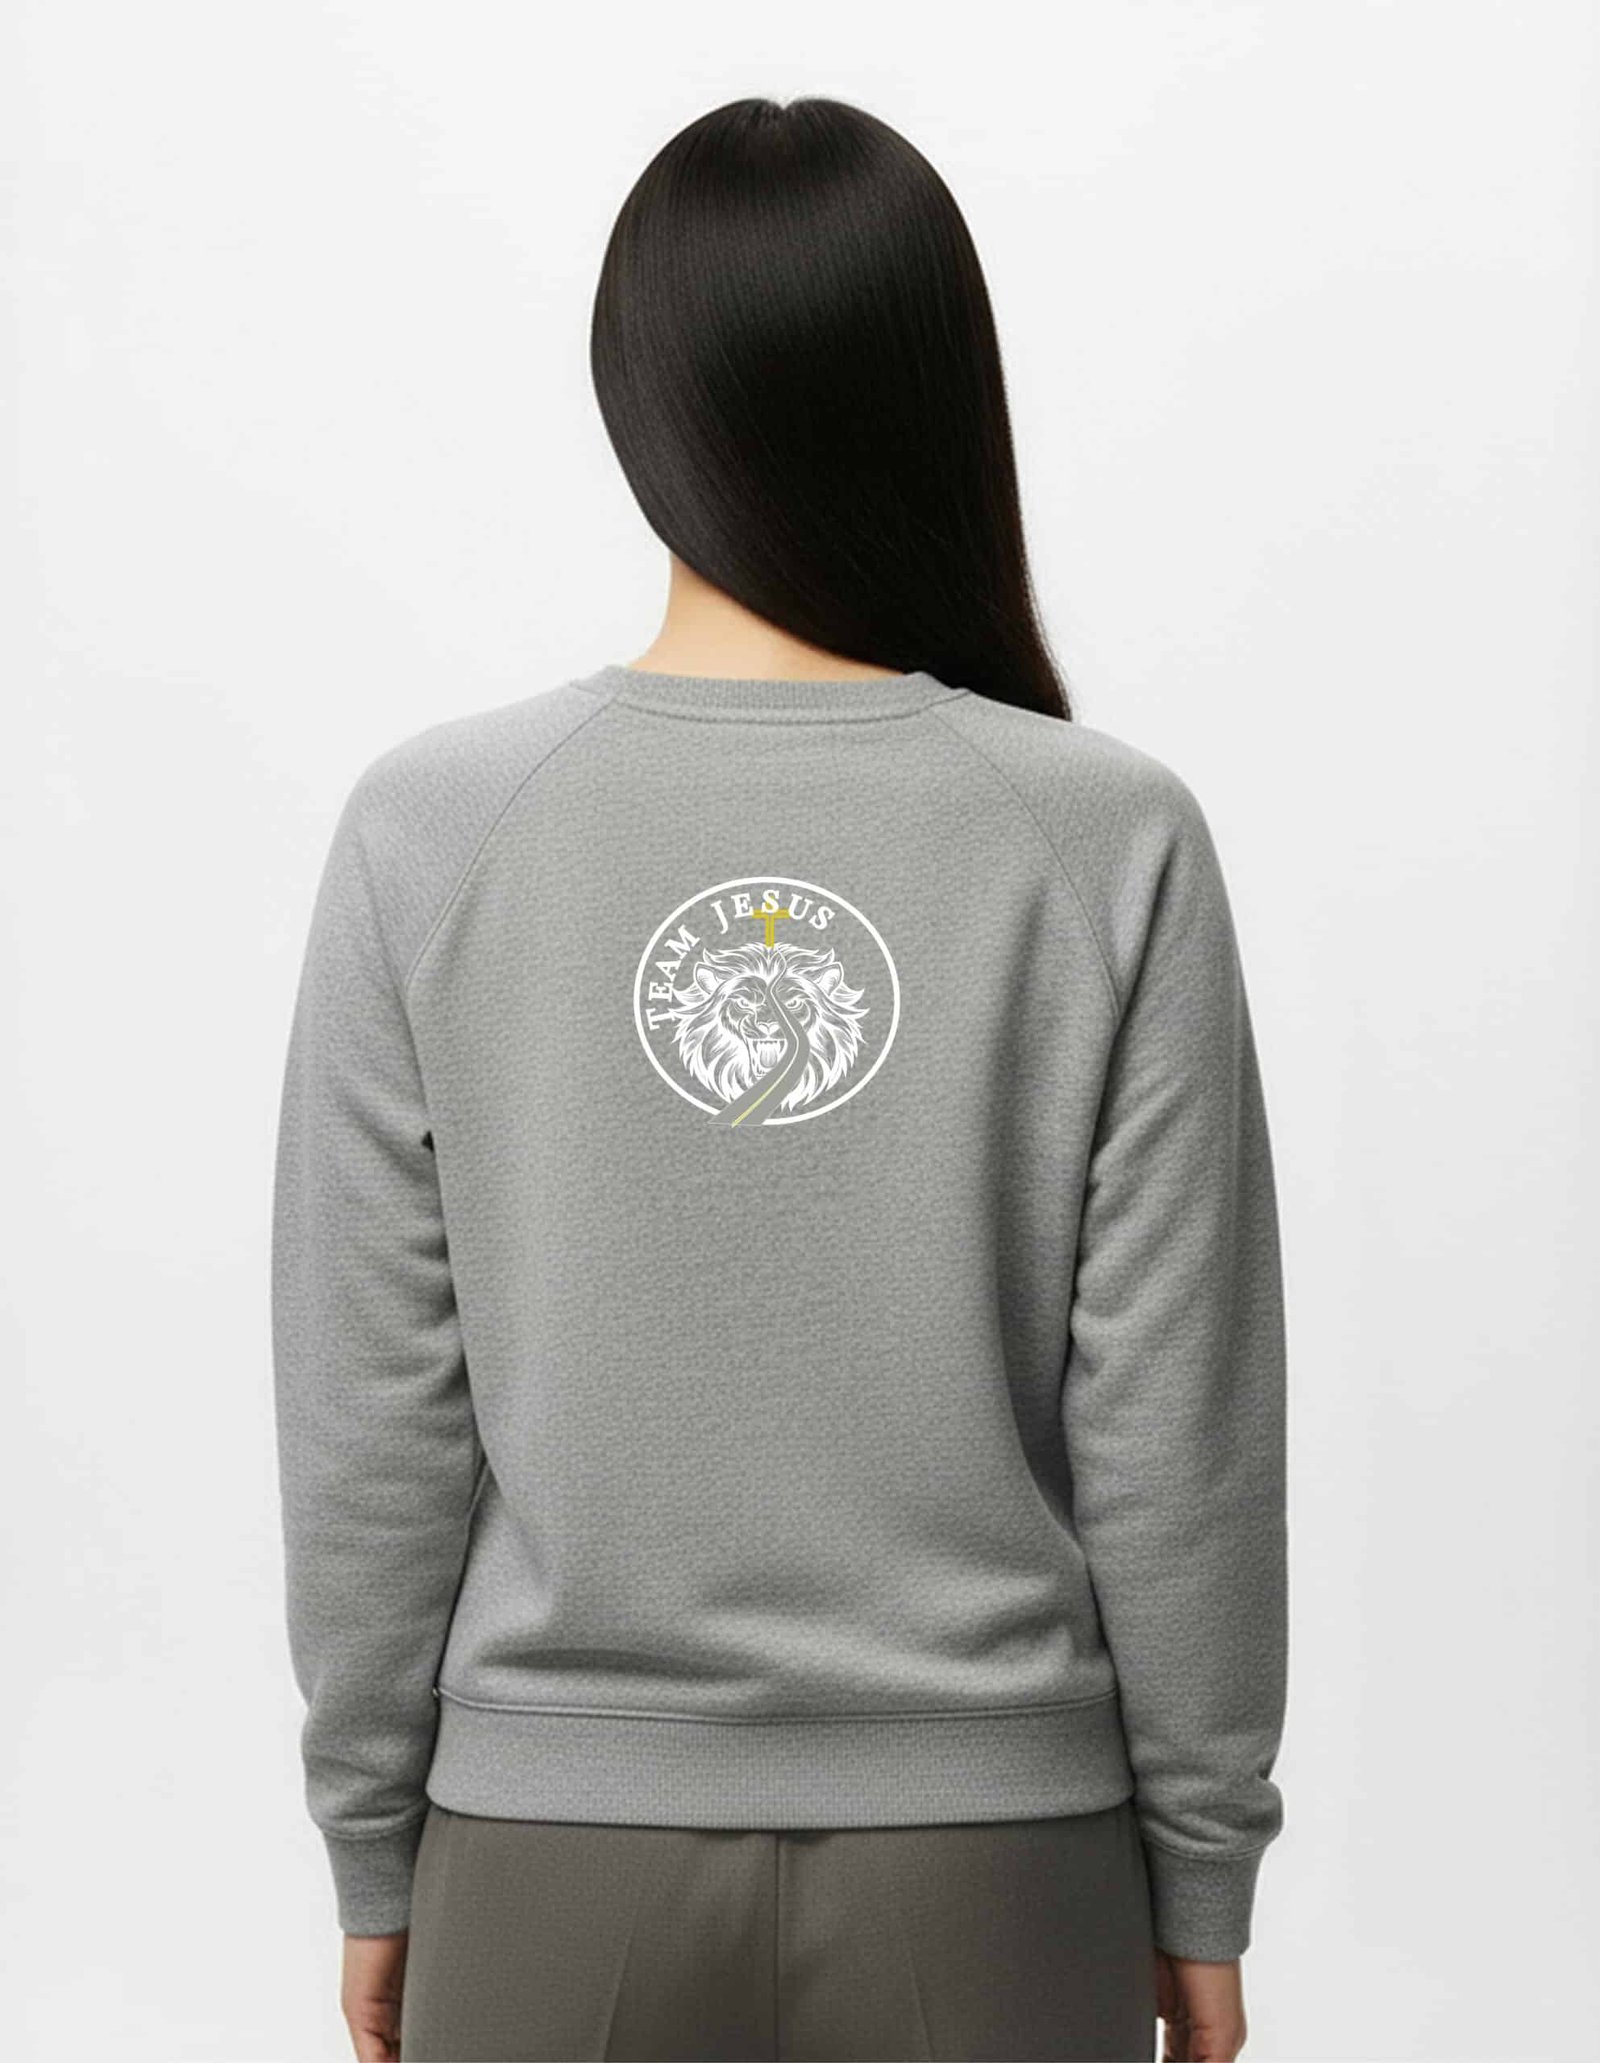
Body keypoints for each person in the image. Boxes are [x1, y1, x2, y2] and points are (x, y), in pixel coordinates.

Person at [272, 95, 1288, 2063]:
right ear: (941, 393)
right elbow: (1180, 1433)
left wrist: (375, 1852)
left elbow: (370, 1422)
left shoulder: (435, 830)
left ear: (633, 392)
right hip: (998, 1870)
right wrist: (1198, 1875)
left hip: (545, 1859)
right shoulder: (1103, 836)